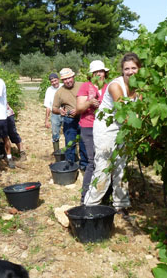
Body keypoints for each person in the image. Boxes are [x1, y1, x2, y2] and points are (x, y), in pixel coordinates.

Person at [84, 53, 142, 219]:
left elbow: (140, 110)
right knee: (103, 167)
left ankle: (121, 206)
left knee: (121, 167)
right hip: (106, 128)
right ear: (122, 71)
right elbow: (124, 113)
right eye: (126, 69)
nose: (130, 72)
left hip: (123, 128)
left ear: (139, 69)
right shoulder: (115, 86)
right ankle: (89, 207)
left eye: (133, 68)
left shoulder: (141, 86)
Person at [76, 60, 109, 203]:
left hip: (106, 127)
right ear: (91, 74)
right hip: (89, 126)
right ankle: (85, 197)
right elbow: (78, 109)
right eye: (96, 72)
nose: (99, 74)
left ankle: (104, 195)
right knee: (92, 161)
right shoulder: (85, 87)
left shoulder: (109, 87)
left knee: (106, 161)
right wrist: (89, 103)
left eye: (101, 71)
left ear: (105, 73)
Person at [52, 68, 87, 170]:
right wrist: (60, 111)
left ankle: (84, 166)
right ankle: (71, 166)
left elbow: (91, 100)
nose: (68, 81)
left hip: (83, 118)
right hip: (69, 120)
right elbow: (54, 108)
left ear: (73, 76)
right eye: (65, 79)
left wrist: (79, 109)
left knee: (84, 143)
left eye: (69, 78)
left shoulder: (82, 85)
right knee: (70, 144)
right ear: (62, 80)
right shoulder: (59, 92)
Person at [44, 73, 63, 152]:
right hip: (55, 114)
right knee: (55, 134)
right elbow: (48, 106)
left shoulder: (63, 86)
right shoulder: (49, 90)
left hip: (66, 113)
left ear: (58, 79)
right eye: (52, 81)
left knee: (70, 133)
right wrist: (46, 120)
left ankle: (72, 153)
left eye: (55, 80)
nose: (54, 83)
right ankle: (57, 153)